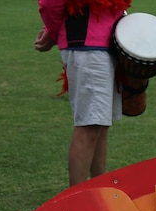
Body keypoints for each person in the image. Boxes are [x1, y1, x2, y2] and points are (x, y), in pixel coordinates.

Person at [35, 0, 130, 186]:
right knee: (89, 126)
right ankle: (77, 200)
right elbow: (50, 3)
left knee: (100, 126)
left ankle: (100, 190)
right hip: (88, 47)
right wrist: (53, 32)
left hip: (107, 44)